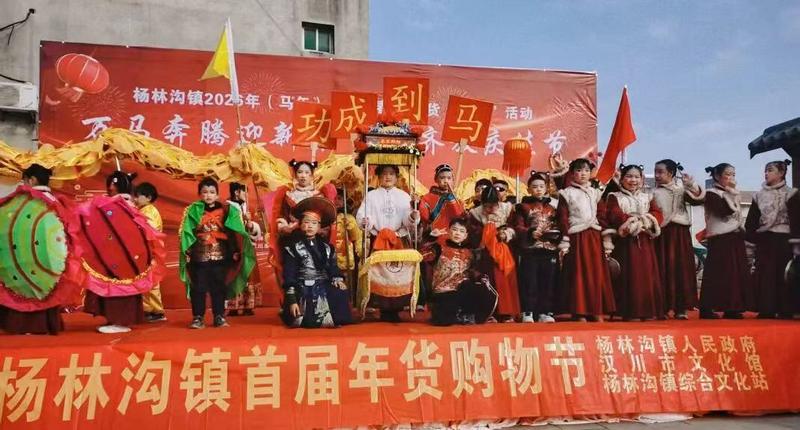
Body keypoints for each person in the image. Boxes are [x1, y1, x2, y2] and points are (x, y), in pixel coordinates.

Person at [0, 164, 82, 335]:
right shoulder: (57, 203)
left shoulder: (23, 201)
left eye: (24, 181)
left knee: (25, 287)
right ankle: (47, 325)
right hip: (54, 261)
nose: (23, 185)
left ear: (32, 180)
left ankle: (27, 326)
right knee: (48, 287)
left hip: (25, 260)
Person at [83, 170, 157, 334]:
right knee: (115, 286)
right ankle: (114, 319)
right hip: (114, 255)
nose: (110, 187)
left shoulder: (123, 206)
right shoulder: (120, 205)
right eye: (110, 183)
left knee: (120, 288)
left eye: (114, 184)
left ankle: (120, 322)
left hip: (123, 257)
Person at [179, 177, 256, 329]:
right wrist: (187, 250)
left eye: (212, 192)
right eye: (205, 192)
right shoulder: (192, 210)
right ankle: (198, 317)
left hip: (221, 255)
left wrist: (235, 250)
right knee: (198, 288)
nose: (208, 195)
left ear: (217, 194)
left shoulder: (227, 210)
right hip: (198, 256)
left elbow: (234, 232)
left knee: (219, 287)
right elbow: (185, 232)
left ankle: (219, 316)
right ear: (199, 194)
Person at [356, 164, 420, 322]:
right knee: (380, 273)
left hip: (398, 238)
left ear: (397, 177)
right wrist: (366, 221)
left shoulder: (404, 196)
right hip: (379, 238)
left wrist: (413, 215)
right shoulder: (371, 195)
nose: (388, 177)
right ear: (378, 177)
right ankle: (383, 307)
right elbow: (364, 214)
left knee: (397, 272)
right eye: (384, 174)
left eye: (391, 174)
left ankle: (397, 307)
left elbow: (408, 220)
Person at [555, 158, 615, 322]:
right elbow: (563, 217)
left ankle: (596, 310)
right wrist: (566, 237)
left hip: (594, 237)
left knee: (596, 273)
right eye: (579, 170)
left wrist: (605, 236)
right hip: (577, 236)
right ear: (572, 173)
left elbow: (602, 215)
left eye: (586, 171)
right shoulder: (566, 193)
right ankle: (579, 311)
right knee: (579, 274)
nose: (583, 174)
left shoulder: (595, 193)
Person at [281, 197, 353, 328]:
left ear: (319, 227)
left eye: (314, 223)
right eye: (306, 222)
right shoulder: (293, 248)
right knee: (301, 316)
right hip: (302, 285)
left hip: (323, 284)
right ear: (300, 224)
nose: (309, 226)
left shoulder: (327, 248)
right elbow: (289, 274)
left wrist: (337, 279)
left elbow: (332, 267)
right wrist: (291, 299)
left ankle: (336, 317)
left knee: (340, 291)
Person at [605, 164, 664, 321]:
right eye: (629, 176)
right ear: (622, 179)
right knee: (629, 276)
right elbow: (615, 214)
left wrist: (646, 220)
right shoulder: (614, 196)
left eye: (637, 177)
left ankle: (649, 311)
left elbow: (657, 213)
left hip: (645, 241)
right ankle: (629, 311)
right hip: (626, 242)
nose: (633, 180)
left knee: (647, 276)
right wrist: (632, 222)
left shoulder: (647, 196)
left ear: (642, 179)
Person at [652, 159, 705, 320]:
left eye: (660, 172)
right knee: (662, 269)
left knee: (681, 269)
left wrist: (691, 184)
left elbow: (698, 199)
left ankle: (681, 308)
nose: (657, 175)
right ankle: (662, 308)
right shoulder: (653, 193)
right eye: (655, 172)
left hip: (680, 234)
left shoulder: (681, 190)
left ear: (671, 173)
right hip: (661, 234)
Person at [745, 160, 798, 319]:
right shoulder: (758, 196)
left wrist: (797, 244)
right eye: (765, 170)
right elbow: (751, 222)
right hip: (765, 240)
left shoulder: (792, 193)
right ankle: (766, 308)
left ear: (781, 173)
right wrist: (751, 242)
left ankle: (786, 309)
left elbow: (797, 220)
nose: (766, 173)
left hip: (785, 239)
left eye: (770, 170)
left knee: (784, 273)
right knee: (765, 274)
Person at [421, 217, 498, 326]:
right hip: (443, 291)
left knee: (480, 288)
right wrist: (430, 238)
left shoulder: (470, 252)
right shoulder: (438, 249)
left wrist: (480, 276)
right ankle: (454, 314)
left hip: (462, 289)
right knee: (443, 321)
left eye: (461, 231)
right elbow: (422, 255)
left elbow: (471, 271)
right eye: (454, 229)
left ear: (466, 235)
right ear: (449, 231)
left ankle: (467, 314)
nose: (457, 233)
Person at [271, 160, 336, 283]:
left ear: (312, 176)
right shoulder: (288, 196)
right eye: (300, 172)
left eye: (307, 173)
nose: (303, 175)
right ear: (295, 175)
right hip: (293, 237)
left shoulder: (319, 196)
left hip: (315, 238)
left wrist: (318, 229)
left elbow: (325, 220)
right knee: (292, 269)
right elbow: (282, 215)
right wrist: (286, 227)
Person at [700, 163, 751, 319]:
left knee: (735, 273)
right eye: (728, 174)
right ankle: (708, 307)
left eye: (733, 174)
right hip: (720, 238)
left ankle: (732, 307)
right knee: (718, 272)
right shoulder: (711, 194)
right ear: (717, 176)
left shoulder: (733, 193)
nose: (731, 178)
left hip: (734, 236)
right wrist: (731, 193)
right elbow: (724, 211)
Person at [510, 171, 560, 323]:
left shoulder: (553, 208)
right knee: (529, 281)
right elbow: (518, 226)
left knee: (548, 281)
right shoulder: (523, 207)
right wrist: (530, 232)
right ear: (529, 189)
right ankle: (528, 311)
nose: (538, 189)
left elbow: (559, 225)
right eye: (534, 187)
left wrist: (556, 234)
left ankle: (545, 312)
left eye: (541, 186)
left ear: (546, 188)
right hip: (530, 249)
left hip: (549, 249)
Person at [466, 184, 520, 322]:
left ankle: (508, 312)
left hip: (505, 249)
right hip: (486, 253)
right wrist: (487, 231)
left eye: (493, 206)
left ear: (499, 202)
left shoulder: (507, 209)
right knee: (490, 280)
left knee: (505, 281)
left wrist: (506, 233)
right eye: (487, 206)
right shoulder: (475, 214)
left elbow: (515, 226)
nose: (490, 209)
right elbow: (472, 233)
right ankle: (491, 312)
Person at [225, 182, 263, 317]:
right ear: (236, 192)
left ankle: (248, 305)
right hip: (235, 247)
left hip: (248, 247)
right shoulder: (228, 208)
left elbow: (256, 230)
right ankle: (234, 306)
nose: (247, 195)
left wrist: (250, 223)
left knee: (249, 274)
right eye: (245, 191)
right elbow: (228, 228)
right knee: (235, 274)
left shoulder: (248, 207)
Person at [133, 182, 167, 323]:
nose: (135, 199)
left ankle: (157, 311)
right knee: (145, 281)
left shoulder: (150, 211)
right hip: (144, 252)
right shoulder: (143, 210)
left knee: (152, 282)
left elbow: (148, 232)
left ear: (148, 197)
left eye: (138, 196)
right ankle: (148, 310)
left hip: (151, 252)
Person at [333, 187, 362, 290]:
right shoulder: (326, 217)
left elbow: (356, 237)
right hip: (330, 257)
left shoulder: (348, 217)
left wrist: (351, 227)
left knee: (346, 286)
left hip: (345, 258)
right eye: (334, 198)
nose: (336, 201)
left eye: (339, 198)